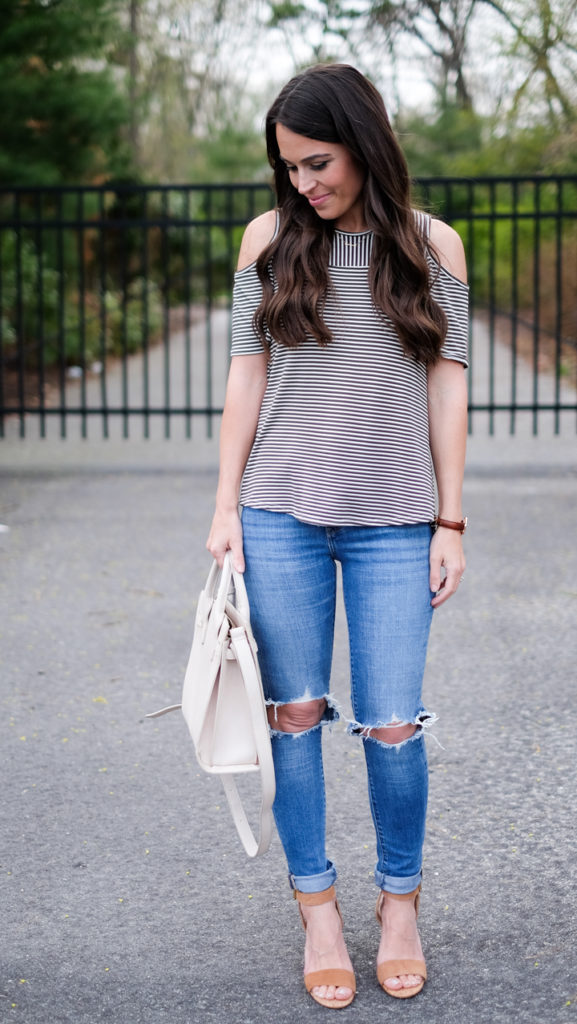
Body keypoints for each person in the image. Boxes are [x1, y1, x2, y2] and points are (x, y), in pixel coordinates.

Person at [207, 62, 468, 1010]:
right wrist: (225, 504)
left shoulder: (433, 245)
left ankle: (398, 905)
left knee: (392, 726)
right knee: (295, 716)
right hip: (278, 514)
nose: (304, 183)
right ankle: (317, 907)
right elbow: (246, 375)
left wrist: (450, 516)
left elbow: (447, 382)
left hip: (396, 520)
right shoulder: (268, 240)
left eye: (317, 162)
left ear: (363, 141)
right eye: (289, 168)